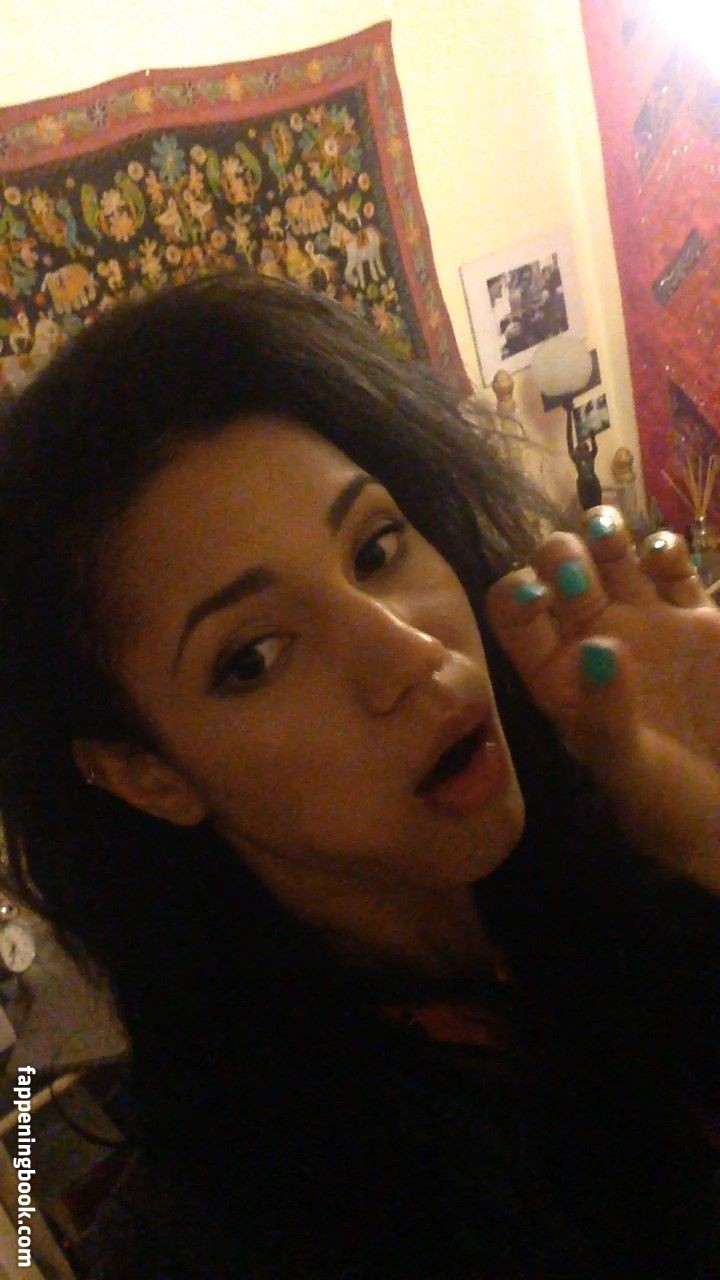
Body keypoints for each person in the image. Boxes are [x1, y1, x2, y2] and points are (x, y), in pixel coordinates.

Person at [0, 273, 717, 1280]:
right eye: (253, 656)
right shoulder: (237, 1227)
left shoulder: (613, 853)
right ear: (146, 773)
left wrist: (701, 824)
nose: (408, 653)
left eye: (377, 548)